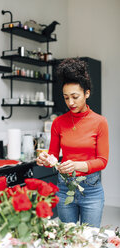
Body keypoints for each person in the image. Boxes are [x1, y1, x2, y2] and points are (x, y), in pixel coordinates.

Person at [36, 57, 109, 228]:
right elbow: (53, 155)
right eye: (66, 97)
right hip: (64, 188)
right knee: (66, 239)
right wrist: (45, 159)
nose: (70, 102)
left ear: (87, 93)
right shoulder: (58, 122)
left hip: (91, 190)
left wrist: (75, 165)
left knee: (89, 240)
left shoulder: (100, 122)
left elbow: (102, 161)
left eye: (75, 97)